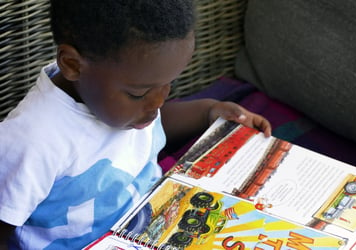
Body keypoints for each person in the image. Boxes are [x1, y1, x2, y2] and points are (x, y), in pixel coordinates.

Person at [0, 0, 271, 249]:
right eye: (139, 93)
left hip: (152, 224)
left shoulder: (121, 100)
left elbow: (157, 123)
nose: (157, 102)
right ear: (72, 65)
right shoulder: (29, 142)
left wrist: (208, 112)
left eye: (169, 84)